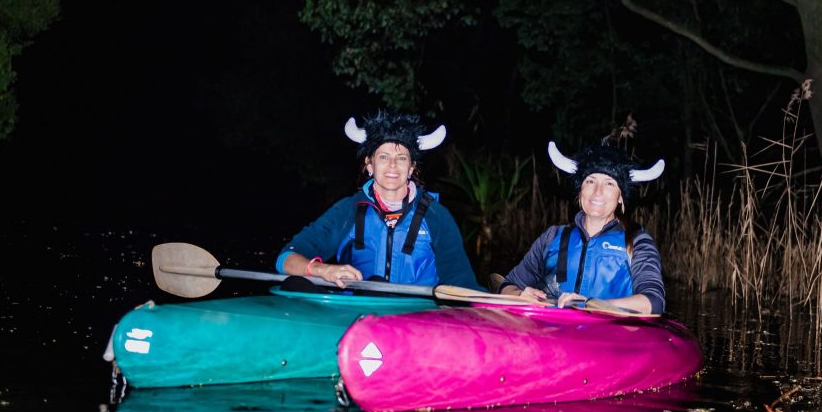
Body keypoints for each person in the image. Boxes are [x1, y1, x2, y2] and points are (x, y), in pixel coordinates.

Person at [276, 111, 482, 290]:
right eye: (383, 157)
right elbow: (285, 259)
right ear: (370, 165)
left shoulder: (437, 216)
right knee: (295, 284)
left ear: (411, 168)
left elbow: (462, 283)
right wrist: (322, 269)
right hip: (358, 313)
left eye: (401, 158)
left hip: (417, 318)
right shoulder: (348, 210)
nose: (392, 165)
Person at [497, 141, 666, 314]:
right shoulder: (552, 236)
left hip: (611, 335)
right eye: (590, 181)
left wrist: (590, 304)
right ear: (580, 192)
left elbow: (653, 302)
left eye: (609, 184)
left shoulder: (637, 241)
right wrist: (519, 294)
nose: (597, 192)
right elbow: (507, 285)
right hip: (552, 331)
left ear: (620, 197)